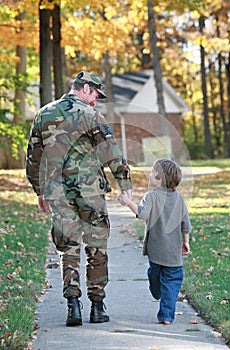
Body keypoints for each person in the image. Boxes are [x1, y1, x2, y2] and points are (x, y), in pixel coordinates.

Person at [26, 71, 132, 326]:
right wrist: (125, 183)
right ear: (83, 88)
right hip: (90, 192)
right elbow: (111, 151)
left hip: (58, 193)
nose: (96, 99)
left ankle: (73, 306)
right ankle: (97, 307)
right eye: (95, 93)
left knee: (68, 249)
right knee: (97, 247)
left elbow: (33, 157)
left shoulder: (44, 113)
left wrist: (39, 189)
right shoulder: (90, 114)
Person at [118, 159, 191, 325]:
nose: (149, 174)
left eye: (152, 171)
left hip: (156, 251)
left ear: (159, 179)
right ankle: (166, 315)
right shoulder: (179, 198)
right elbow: (185, 222)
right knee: (172, 283)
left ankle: (159, 295)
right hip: (173, 253)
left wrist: (128, 202)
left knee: (155, 275)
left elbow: (142, 214)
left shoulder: (151, 197)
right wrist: (185, 241)